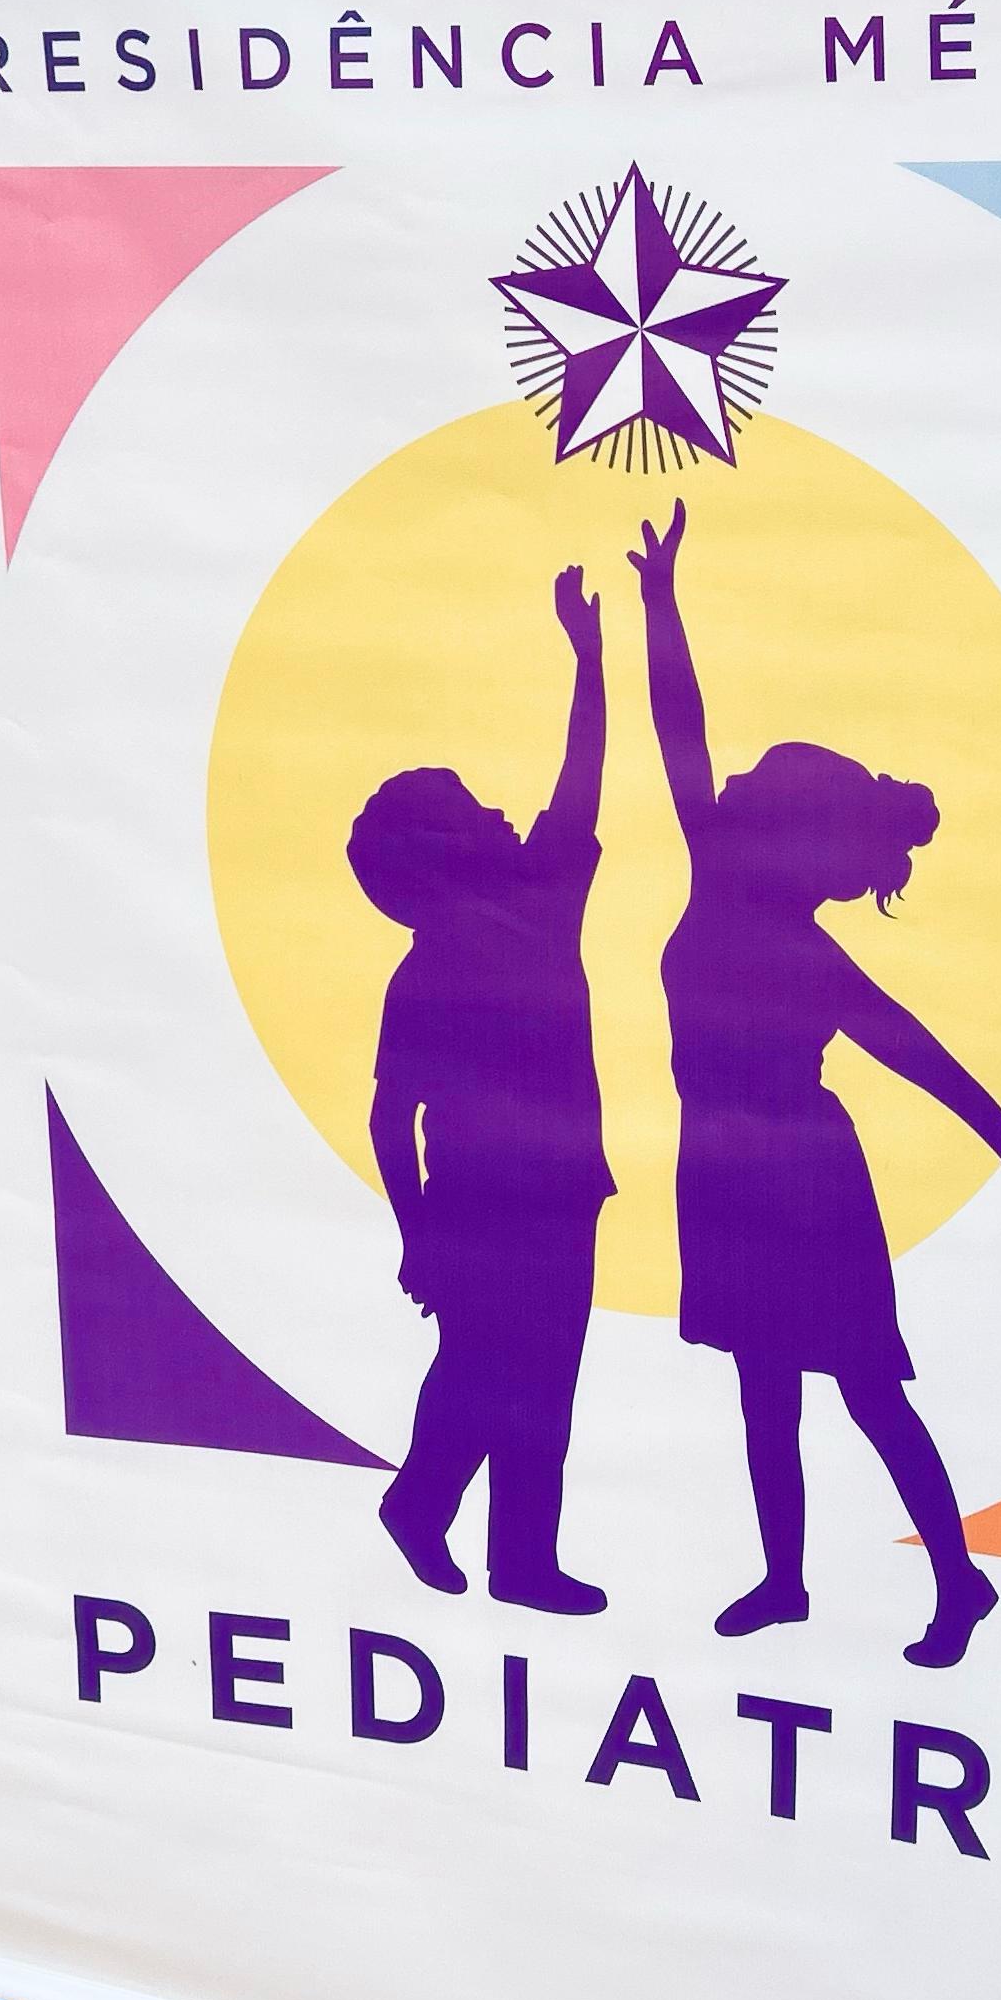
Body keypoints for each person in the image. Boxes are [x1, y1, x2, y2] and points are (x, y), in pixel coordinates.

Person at [628, 503, 1001, 1674]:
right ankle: (785, 1581)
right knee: (763, 1391)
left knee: (869, 1391)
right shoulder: (719, 878)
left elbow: (918, 1052)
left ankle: (959, 1581)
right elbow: (680, 728)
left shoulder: (804, 950)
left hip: (805, 1184)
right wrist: (658, 600)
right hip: (721, 1174)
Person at [350, 570, 615, 1618]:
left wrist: (590, 660)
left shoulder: (541, 898)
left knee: (532, 1378)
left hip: (558, 1191)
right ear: (443, 855)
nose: (500, 809)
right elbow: (390, 1115)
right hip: (482, 1205)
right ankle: (436, 1514)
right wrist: (419, 1232)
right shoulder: (437, 964)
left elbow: (581, 778)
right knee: (491, 1373)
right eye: (472, 809)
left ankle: (506, 1552)